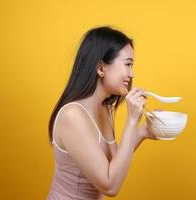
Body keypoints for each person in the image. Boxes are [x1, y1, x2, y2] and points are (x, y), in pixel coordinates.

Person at [46, 26, 159, 200]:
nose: (132, 73)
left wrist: (142, 132)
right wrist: (131, 121)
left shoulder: (104, 108)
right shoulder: (72, 116)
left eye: (132, 65)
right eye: (128, 64)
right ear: (101, 68)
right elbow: (110, 186)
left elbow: (113, 163)